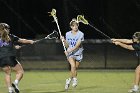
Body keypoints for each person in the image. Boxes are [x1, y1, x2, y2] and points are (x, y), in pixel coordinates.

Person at [0, 23, 35, 93]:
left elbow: (4, 46)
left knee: (7, 73)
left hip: (1, 59)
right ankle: (15, 83)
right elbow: (22, 40)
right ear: (7, 29)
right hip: (10, 58)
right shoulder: (11, 36)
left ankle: (10, 90)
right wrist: (30, 41)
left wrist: (15, 46)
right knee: (20, 71)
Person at [61, 18, 84, 90]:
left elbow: (77, 45)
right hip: (70, 54)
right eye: (73, 26)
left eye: (76, 25)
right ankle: (75, 79)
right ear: (71, 27)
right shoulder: (68, 34)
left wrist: (70, 50)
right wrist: (64, 40)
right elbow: (67, 45)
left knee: (74, 69)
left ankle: (68, 80)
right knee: (73, 66)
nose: (75, 27)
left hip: (78, 53)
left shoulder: (81, 34)